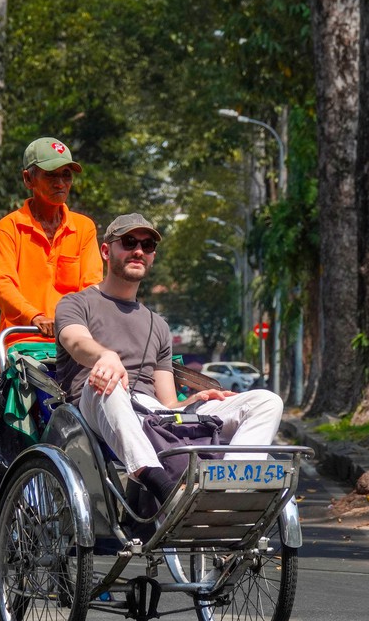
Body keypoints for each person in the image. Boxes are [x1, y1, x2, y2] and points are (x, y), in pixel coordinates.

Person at [55, 213, 284, 506]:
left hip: (150, 414)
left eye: (147, 245)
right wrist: (106, 356)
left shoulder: (157, 324)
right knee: (108, 384)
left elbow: (167, 405)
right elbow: (76, 341)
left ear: (152, 256)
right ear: (105, 250)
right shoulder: (76, 303)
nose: (139, 250)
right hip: (94, 407)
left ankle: (227, 489)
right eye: (128, 242)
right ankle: (164, 490)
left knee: (266, 402)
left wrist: (195, 400)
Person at [0, 137, 102, 342]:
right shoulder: (9, 227)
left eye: (66, 175)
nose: (60, 183)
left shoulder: (84, 227)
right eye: (50, 175)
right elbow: (3, 286)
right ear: (28, 179)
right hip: (24, 340)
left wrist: (71, 323)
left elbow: (92, 284)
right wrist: (35, 317)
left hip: (74, 341)